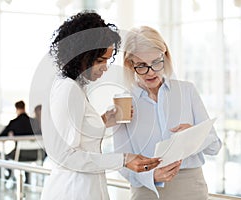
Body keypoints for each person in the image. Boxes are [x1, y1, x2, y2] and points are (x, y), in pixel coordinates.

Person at [40, 11, 161, 200]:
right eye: (99, 61)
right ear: (80, 55)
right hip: (72, 191)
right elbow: (64, 156)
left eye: (107, 60)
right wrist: (123, 159)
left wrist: (104, 121)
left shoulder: (74, 87)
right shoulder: (68, 90)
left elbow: (79, 137)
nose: (105, 67)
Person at [113, 26, 222, 200]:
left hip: (190, 187)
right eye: (142, 65)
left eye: (157, 62)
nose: (151, 72)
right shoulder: (123, 103)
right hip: (146, 191)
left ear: (165, 57)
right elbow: (120, 161)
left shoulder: (187, 91)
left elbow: (214, 145)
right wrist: (151, 176)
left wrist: (192, 136)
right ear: (129, 65)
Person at [0, 100, 37, 183]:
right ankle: (27, 180)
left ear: (16, 109)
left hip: (20, 154)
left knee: (5, 157)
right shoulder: (34, 122)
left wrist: (10, 134)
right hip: (36, 154)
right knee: (26, 161)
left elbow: (1, 136)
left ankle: (8, 177)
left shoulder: (14, 122)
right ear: (24, 107)